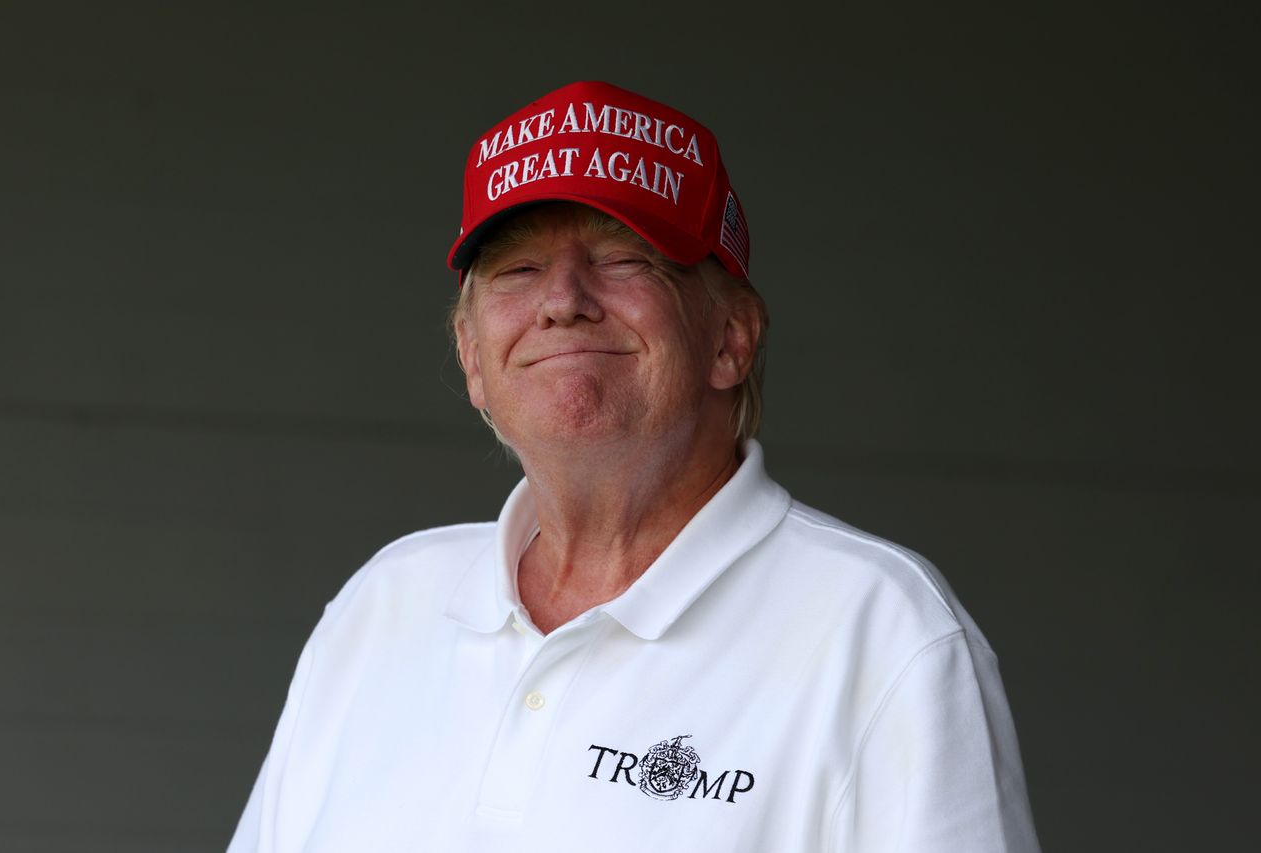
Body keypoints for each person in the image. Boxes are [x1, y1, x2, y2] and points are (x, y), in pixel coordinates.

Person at [228, 80, 1040, 852]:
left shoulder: (884, 632)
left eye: (624, 259)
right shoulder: (383, 607)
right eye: (518, 270)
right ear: (472, 358)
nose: (564, 298)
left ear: (731, 337)